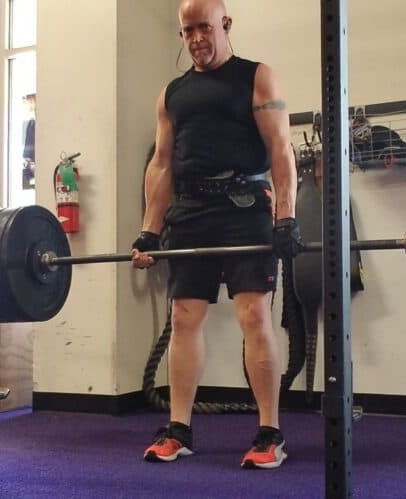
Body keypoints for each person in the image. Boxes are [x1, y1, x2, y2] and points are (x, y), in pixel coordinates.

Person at [131, 0, 302, 470]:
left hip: (245, 207)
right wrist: (149, 230)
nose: (196, 40)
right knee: (184, 318)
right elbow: (162, 163)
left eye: (204, 28)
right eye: (187, 31)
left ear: (226, 25)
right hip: (191, 211)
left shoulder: (256, 76)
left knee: (253, 315)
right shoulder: (172, 93)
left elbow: (281, 149)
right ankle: (179, 429)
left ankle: (270, 433)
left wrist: (285, 216)